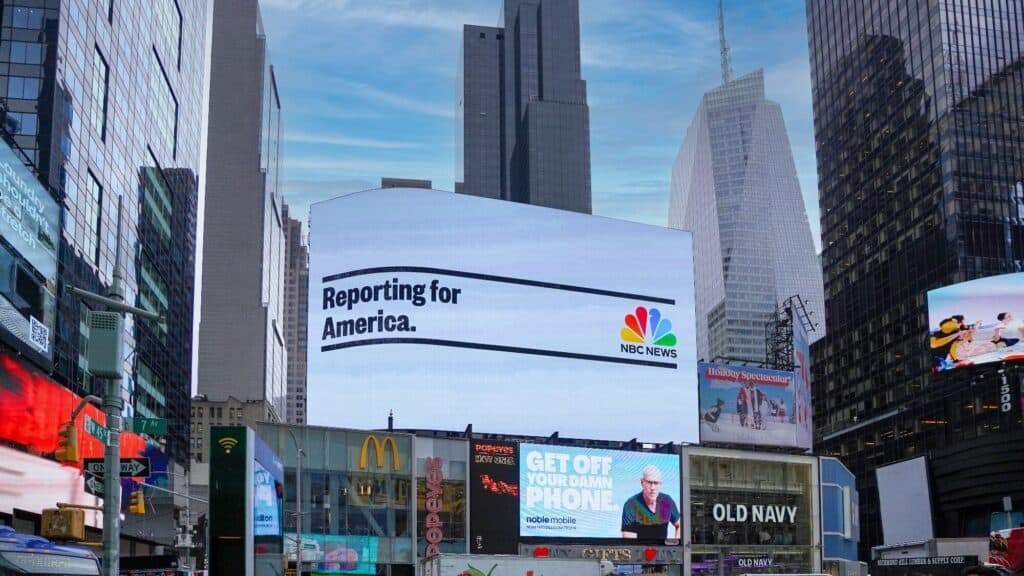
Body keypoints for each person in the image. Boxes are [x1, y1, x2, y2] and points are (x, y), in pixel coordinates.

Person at [621, 466, 680, 539]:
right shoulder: (630, 505)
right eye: (649, 482)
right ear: (642, 482)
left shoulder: (667, 501)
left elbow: (680, 525)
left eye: (656, 483)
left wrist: (676, 543)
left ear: (660, 484)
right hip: (640, 549)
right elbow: (629, 541)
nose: (653, 488)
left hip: (662, 549)